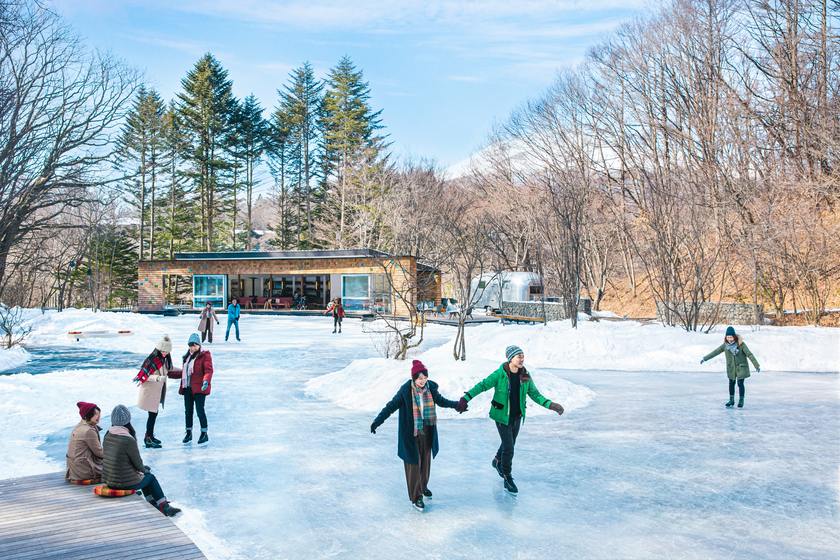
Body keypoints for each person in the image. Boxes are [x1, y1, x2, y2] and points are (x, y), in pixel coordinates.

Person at [455, 345, 565, 495]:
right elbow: (482, 386)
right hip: (501, 416)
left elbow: (535, 394)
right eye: (519, 356)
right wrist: (465, 398)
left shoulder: (525, 376)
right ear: (510, 358)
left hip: (517, 416)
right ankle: (507, 477)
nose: (522, 359)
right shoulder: (499, 374)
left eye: (523, 356)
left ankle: (496, 461)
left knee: (509, 443)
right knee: (509, 447)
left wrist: (551, 405)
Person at [370, 360, 462, 511]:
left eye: (425, 377)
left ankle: (423, 486)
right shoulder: (405, 391)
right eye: (419, 378)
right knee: (413, 464)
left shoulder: (430, 389)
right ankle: (416, 496)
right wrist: (377, 421)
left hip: (427, 428)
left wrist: (457, 405)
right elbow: (391, 406)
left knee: (425, 461)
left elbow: (441, 401)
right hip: (410, 432)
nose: (423, 381)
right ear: (413, 378)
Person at [102, 404, 181, 517]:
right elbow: (138, 464)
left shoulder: (108, 434)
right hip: (122, 483)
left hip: (110, 480)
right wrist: (144, 469)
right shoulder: (127, 439)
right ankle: (165, 507)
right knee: (150, 477)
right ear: (128, 419)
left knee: (142, 475)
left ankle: (153, 503)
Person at [167, 333, 214, 444]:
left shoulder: (205, 355)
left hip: (199, 388)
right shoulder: (187, 357)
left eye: (194, 345)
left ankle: (204, 433)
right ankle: (188, 433)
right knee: (188, 412)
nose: (192, 348)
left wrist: (206, 381)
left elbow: (208, 370)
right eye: (190, 345)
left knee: (200, 411)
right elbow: (184, 373)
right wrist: (168, 374)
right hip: (188, 388)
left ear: (198, 345)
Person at [134, 335, 178, 449]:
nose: (165, 353)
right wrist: (157, 378)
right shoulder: (152, 360)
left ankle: (149, 436)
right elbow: (145, 376)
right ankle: (148, 438)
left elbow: (170, 369)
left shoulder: (165, 359)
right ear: (158, 349)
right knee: (152, 414)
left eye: (167, 351)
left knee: (154, 414)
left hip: (156, 391)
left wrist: (184, 370)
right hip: (150, 391)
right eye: (163, 351)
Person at [701, 325, 761, 408]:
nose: (729, 339)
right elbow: (715, 352)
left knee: (740, 383)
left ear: (734, 337)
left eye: (731, 337)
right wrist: (705, 358)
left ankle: (741, 400)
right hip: (731, 368)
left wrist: (756, 365)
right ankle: (731, 399)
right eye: (728, 337)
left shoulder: (741, 345)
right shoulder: (725, 346)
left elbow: (749, 354)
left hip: (741, 367)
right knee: (731, 383)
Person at [65, 401, 103, 482]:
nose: (99, 416)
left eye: (99, 413)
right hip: (84, 471)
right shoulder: (89, 430)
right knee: (116, 469)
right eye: (96, 414)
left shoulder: (80, 426)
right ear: (88, 415)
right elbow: (99, 452)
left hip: (74, 470)